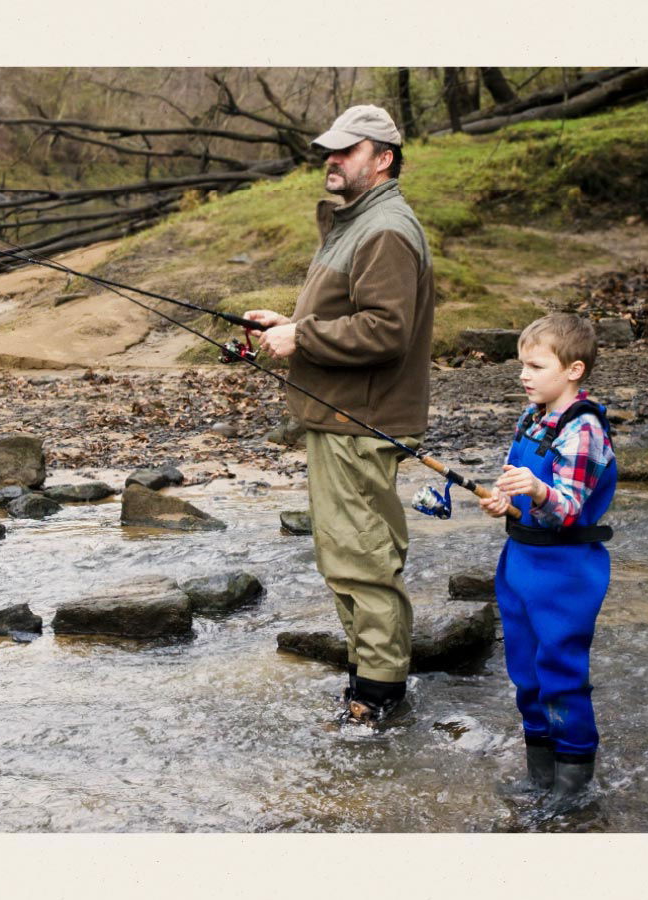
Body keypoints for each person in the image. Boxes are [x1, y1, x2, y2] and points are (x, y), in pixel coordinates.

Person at [244, 105, 436, 726]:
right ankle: (367, 682)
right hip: (342, 418)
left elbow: (387, 331)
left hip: (363, 421)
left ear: (382, 158)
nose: (332, 158)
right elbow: (348, 312)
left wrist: (305, 339)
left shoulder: (385, 229)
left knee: (364, 560)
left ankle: (378, 701)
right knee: (345, 557)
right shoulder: (355, 223)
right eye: (329, 149)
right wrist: (289, 325)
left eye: (346, 150)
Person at [478, 313, 618, 810]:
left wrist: (536, 490)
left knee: (560, 673)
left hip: (565, 571)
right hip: (519, 560)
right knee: (525, 671)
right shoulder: (531, 417)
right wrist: (504, 501)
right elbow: (518, 489)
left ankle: (573, 787)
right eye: (522, 364)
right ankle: (540, 779)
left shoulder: (584, 432)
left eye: (536, 365)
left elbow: (567, 510)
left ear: (574, 369)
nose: (524, 374)